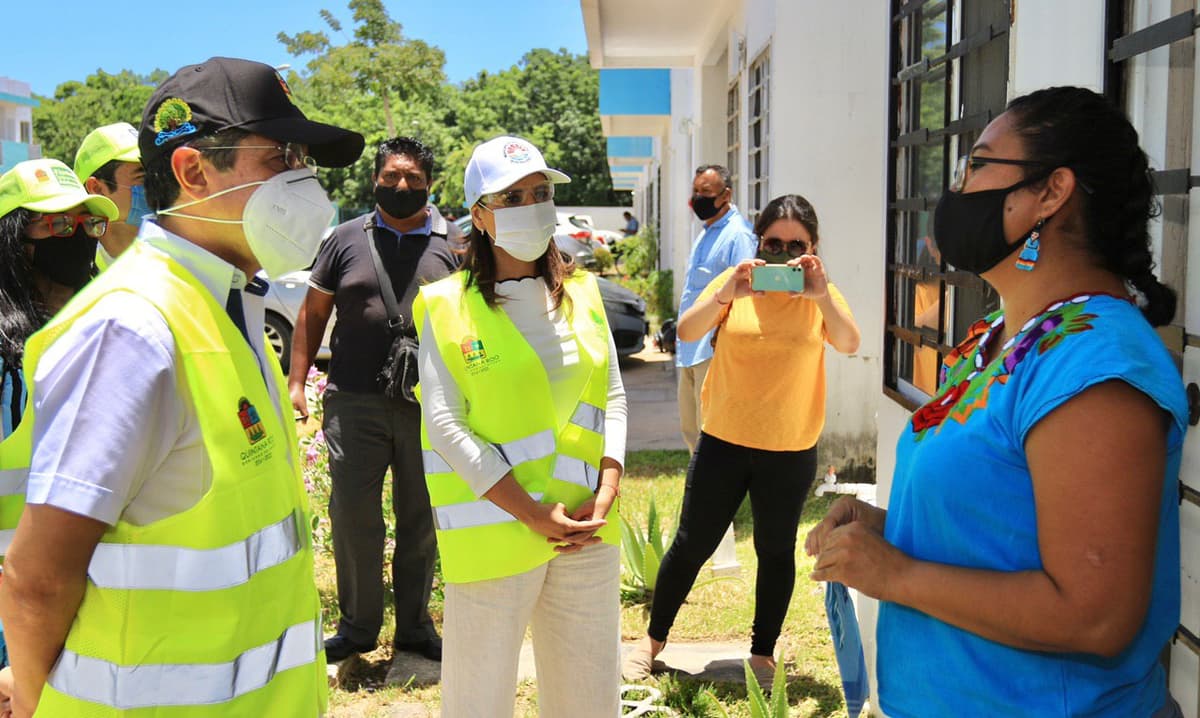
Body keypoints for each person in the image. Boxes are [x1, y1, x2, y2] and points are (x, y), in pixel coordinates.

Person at [807, 87, 1188, 718]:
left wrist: (896, 574)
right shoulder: (999, 337)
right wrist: (895, 528)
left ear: (1051, 191)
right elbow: (1004, 518)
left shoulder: (1094, 366)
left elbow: (1094, 615)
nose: (958, 190)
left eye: (978, 166)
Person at [0, 57, 364, 715]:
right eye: (282, 155)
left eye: (306, 157)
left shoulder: (230, 306)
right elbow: (36, 579)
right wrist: (31, 699)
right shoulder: (133, 328)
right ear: (194, 172)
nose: (305, 179)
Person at [415, 135, 626, 716]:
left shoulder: (582, 292)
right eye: (511, 198)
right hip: (494, 535)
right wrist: (534, 515)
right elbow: (445, 425)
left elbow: (612, 395)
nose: (532, 206)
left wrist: (606, 491)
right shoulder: (443, 305)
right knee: (478, 703)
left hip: (586, 526)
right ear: (479, 216)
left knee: (588, 699)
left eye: (539, 193)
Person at [623, 193, 860, 684]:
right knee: (691, 544)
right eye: (773, 243)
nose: (783, 254)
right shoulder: (737, 284)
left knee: (775, 550)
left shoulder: (821, 295)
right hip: (725, 440)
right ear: (758, 242)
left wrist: (819, 293)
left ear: (813, 248)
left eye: (796, 246)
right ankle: (651, 643)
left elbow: (851, 342)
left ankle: (761, 654)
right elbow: (687, 330)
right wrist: (727, 292)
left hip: (789, 446)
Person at [289, 136, 456, 666]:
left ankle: (414, 628)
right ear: (375, 179)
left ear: (430, 183)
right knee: (354, 517)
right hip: (353, 403)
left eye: (411, 177)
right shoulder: (342, 240)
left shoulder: (453, 245)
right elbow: (312, 315)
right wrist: (297, 382)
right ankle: (357, 628)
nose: (401, 185)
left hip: (428, 408)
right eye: (391, 176)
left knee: (419, 518)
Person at [0, 159, 118, 442]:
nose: (77, 236)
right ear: (14, 238)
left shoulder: (106, 329)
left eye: (88, 223)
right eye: (60, 223)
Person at [676, 164, 757, 454]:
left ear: (726, 195)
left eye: (706, 192)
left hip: (714, 351)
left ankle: (713, 496)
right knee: (691, 430)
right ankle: (697, 494)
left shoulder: (739, 236)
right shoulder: (706, 232)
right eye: (696, 191)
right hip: (689, 350)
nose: (698, 198)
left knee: (711, 434)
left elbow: (746, 295)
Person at [73, 122, 147, 271]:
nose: (156, 185)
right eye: (143, 177)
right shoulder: (76, 270)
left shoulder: (181, 248)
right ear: (97, 188)